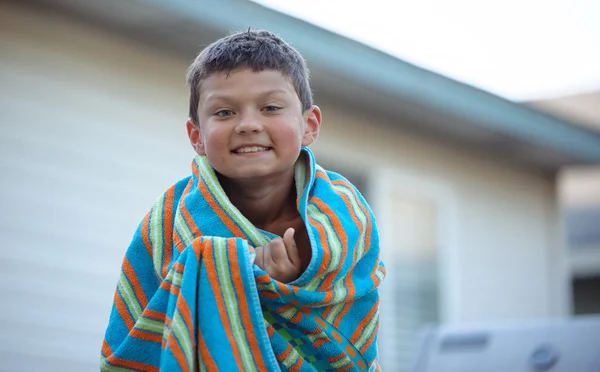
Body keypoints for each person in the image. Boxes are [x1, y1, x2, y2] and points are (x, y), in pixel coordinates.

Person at [101, 29, 386, 372]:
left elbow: (350, 323)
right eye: (224, 113)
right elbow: (133, 340)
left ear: (309, 125)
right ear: (197, 136)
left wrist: (291, 285)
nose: (248, 125)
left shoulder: (342, 214)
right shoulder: (169, 220)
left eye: (270, 107)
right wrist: (237, 275)